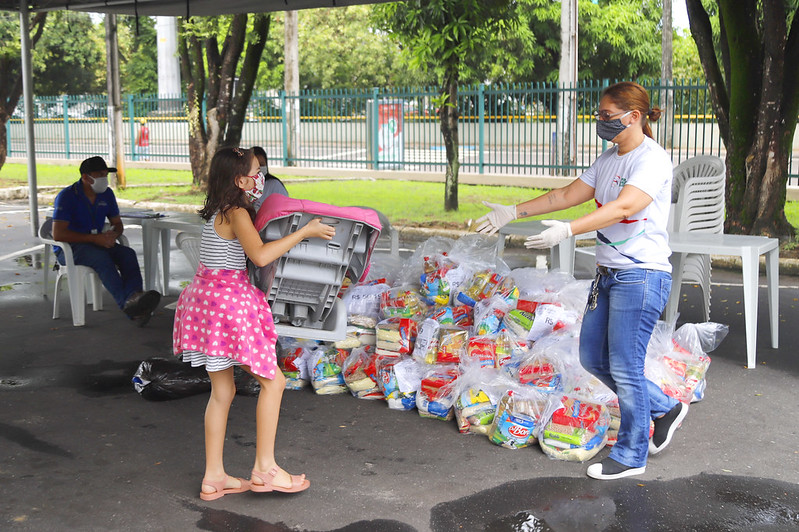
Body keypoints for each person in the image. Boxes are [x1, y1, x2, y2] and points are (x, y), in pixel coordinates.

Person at [474, 81, 688, 481]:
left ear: (634, 116)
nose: (600, 122)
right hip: (608, 275)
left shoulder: (653, 159)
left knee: (625, 366)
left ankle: (631, 453)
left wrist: (569, 231)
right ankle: (665, 405)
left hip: (641, 275)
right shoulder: (609, 158)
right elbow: (567, 194)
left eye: (607, 116)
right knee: (593, 358)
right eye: (599, 115)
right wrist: (511, 211)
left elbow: (626, 205)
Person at [172, 147, 336, 501]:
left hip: (204, 301)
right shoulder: (237, 212)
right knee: (274, 383)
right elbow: (260, 255)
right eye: (255, 171)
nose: (260, 177)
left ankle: (214, 477)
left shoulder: (216, 208)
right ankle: (265, 469)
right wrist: (304, 232)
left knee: (223, 392)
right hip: (229, 304)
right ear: (239, 179)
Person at [52, 156, 161, 326]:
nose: (104, 178)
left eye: (105, 174)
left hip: (98, 242)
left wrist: (112, 235)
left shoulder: (107, 194)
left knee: (127, 254)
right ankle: (130, 305)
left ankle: (135, 299)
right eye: (100, 175)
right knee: (101, 259)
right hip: (71, 247)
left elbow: (117, 223)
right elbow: (58, 234)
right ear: (86, 177)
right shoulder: (67, 197)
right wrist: (95, 239)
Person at [251, 146, 288, 213]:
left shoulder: (274, 185)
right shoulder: (242, 187)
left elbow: (285, 210)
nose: (259, 169)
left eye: (261, 165)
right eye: (256, 166)